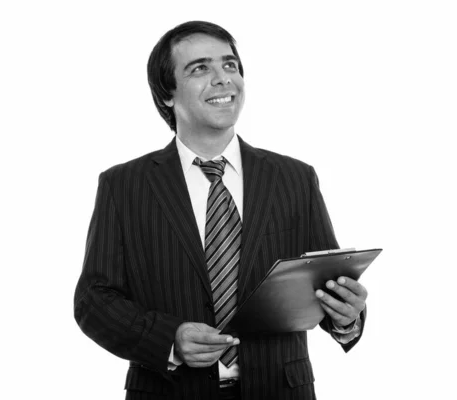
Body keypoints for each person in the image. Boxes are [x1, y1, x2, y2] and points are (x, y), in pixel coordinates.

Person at [74, 20, 368, 400]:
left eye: (230, 65)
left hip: (280, 391)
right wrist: (170, 340)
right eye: (200, 68)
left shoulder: (294, 177)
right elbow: (94, 300)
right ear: (167, 94)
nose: (223, 79)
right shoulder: (124, 185)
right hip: (170, 392)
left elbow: (323, 280)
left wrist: (347, 317)